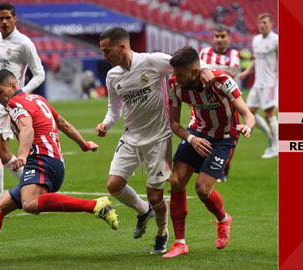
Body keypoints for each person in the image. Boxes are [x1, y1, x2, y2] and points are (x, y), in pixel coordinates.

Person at [0, 69, 119, 265]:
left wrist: (21, 155)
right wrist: (84, 144)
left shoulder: (15, 103)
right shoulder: (38, 99)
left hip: (40, 160)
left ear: (13, 86)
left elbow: (27, 127)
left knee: (30, 204)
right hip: (53, 163)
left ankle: (96, 206)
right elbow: (63, 124)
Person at [95, 26, 215, 255]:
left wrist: (206, 68)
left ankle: (162, 232)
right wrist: (106, 124)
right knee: (113, 185)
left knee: (155, 196)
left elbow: (186, 63)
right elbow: (114, 109)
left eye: (107, 51)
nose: (104, 56)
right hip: (130, 138)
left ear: (122, 47)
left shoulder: (152, 61)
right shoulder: (112, 76)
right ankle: (143, 211)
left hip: (159, 139)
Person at [162, 46, 255, 258]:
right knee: (176, 181)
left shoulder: (222, 81)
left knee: (202, 189)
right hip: (196, 133)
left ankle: (223, 219)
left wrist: (247, 127)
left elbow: (248, 114)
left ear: (195, 71)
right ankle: (180, 243)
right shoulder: (175, 84)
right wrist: (191, 138)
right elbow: (174, 123)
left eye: (180, 74)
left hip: (224, 138)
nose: (175, 77)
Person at [0, 2, 45, 209]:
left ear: (15, 19)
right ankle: (36, 189)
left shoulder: (24, 43)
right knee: (4, 154)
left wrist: (22, 94)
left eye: (7, 18)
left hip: (8, 102)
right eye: (0, 18)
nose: (4, 21)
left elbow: (39, 73)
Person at [199, 24, 240, 183]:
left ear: (228, 38)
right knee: (204, 132)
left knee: (229, 134)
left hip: (228, 100)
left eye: (223, 36)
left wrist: (210, 69)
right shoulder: (204, 52)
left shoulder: (234, 53)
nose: (220, 39)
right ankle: (205, 166)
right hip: (205, 99)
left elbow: (233, 72)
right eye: (217, 36)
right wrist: (220, 70)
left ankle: (224, 168)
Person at [238, 13, 278, 159]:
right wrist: (247, 72)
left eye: (265, 23)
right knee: (249, 113)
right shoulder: (256, 40)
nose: (262, 25)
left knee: (269, 114)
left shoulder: (276, 40)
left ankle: (277, 145)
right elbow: (255, 61)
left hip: (270, 82)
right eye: (260, 23)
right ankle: (271, 139)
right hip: (258, 83)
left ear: (271, 24)